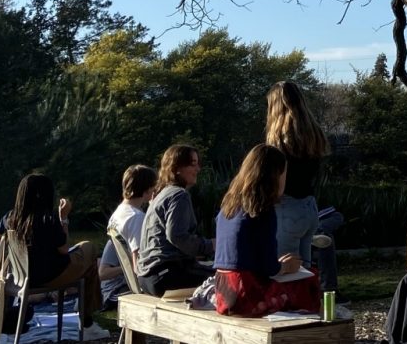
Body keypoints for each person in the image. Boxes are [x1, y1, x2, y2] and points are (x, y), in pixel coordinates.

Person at [212, 143, 322, 317]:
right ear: (276, 176)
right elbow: (270, 269)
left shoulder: (229, 206)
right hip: (247, 296)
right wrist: (286, 266)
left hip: (224, 292)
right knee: (310, 279)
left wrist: (279, 264)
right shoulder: (262, 211)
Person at [7, 172, 102, 333]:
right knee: (89, 247)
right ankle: (87, 320)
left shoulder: (12, 219)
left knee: (90, 268)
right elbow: (64, 249)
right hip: (52, 276)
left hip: (23, 278)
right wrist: (63, 218)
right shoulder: (48, 218)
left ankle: (88, 320)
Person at [264, 80, 330, 270]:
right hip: (309, 207)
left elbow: (278, 186)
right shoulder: (313, 135)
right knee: (304, 273)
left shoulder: (280, 142)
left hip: (287, 207)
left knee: (285, 274)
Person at [136, 144, 216, 295]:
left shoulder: (162, 195)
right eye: (193, 164)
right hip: (165, 275)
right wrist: (210, 245)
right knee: (226, 280)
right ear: (177, 168)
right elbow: (177, 236)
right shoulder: (179, 195)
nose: (198, 169)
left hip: (147, 277)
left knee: (212, 271)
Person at [99, 163, 157, 307]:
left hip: (108, 288)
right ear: (147, 191)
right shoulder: (136, 218)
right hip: (121, 290)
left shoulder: (119, 213)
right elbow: (139, 265)